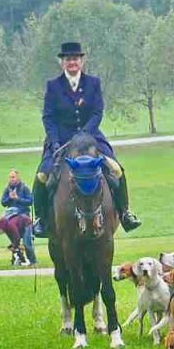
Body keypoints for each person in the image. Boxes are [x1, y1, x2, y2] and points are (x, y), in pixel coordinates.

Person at [38, 41, 138, 232]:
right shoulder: (53, 86)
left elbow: (97, 112)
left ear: (81, 61)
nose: (72, 62)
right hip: (61, 140)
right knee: (42, 176)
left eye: (75, 59)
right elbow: (48, 117)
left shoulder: (93, 83)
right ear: (62, 63)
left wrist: (85, 133)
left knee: (117, 170)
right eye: (68, 59)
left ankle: (125, 213)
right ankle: (42, 219)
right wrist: (54, 141)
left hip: (91, 137)